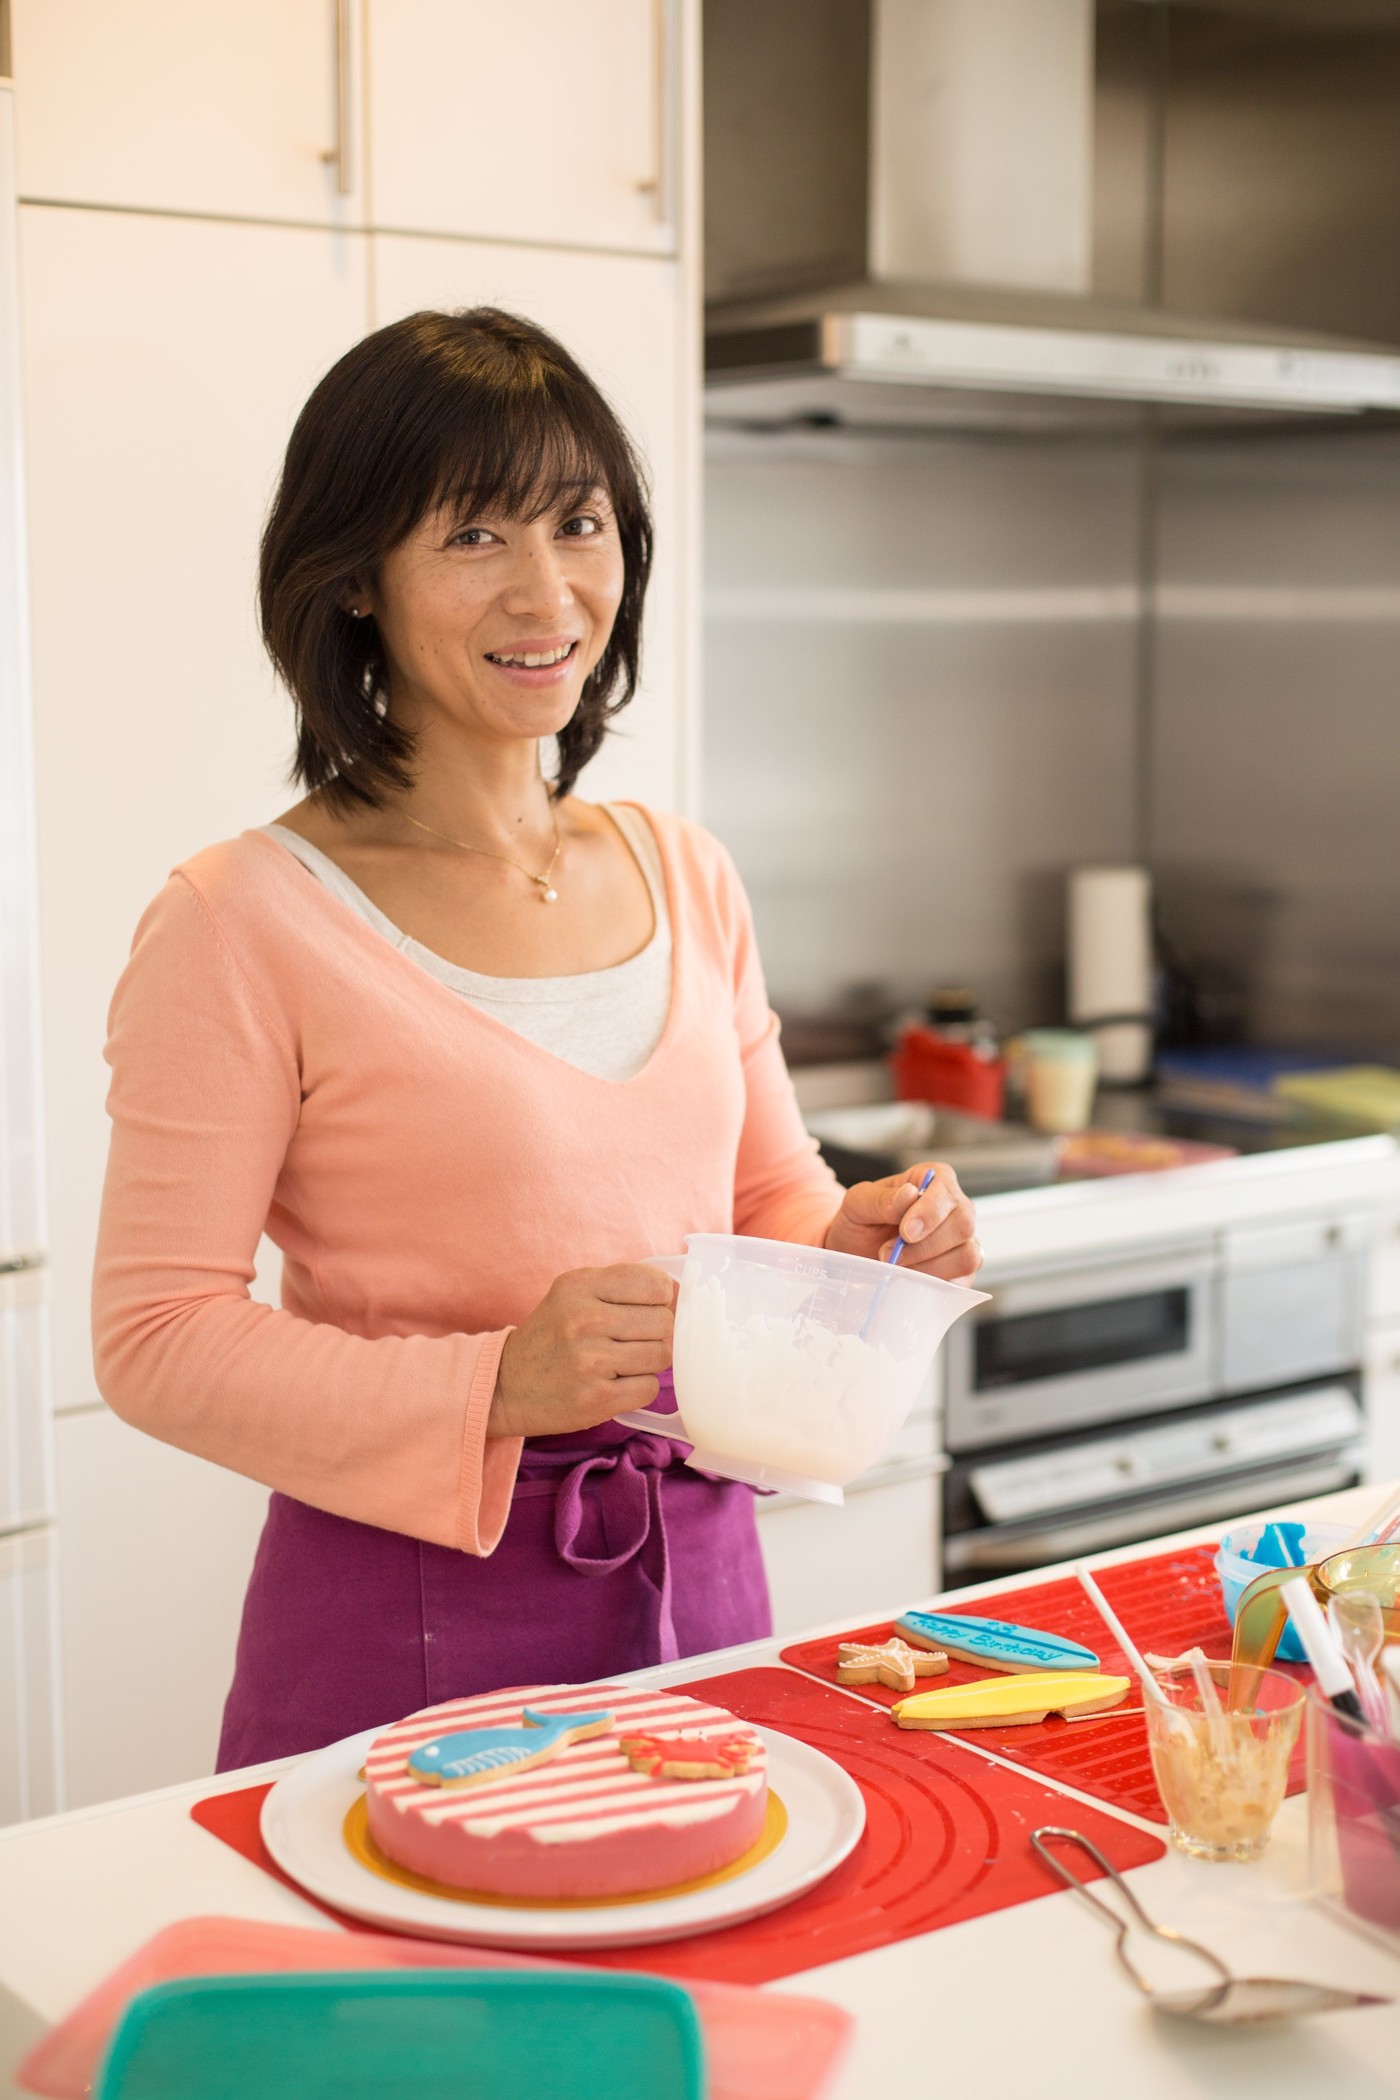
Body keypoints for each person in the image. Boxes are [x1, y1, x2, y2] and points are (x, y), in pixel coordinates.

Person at [92, 308, 981, 1767]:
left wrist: (862, 1248)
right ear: (356, 580)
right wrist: (499, 1381)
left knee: (708, 1982)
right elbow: (153, 1338)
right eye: (473, 538)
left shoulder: (680, 867)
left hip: (701, 1577)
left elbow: (766, 1203)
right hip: (411, 1613)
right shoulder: (238, 919)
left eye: (579, 524)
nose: (548, 590)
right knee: (433, 1997)